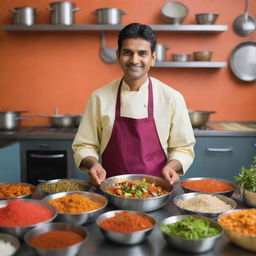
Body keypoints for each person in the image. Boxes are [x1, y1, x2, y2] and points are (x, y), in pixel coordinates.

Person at [72, 23, 195, 185]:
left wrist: (173, 166)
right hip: (110, 188)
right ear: (118, 55)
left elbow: (183, 148)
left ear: (153, 58)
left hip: (157, 189)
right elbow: (84, 144)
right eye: (127, 53)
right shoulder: (99, 97)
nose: (134, 60)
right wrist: (93, 164)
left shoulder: (172, 98)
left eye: (142, 53)